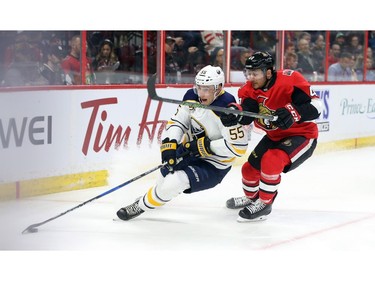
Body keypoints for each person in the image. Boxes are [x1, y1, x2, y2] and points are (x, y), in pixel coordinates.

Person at [116, 65, 249, 221]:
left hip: (214, 164)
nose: (201, 94)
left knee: (175, 181)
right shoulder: (191, 97)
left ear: (218, 88)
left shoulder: (227, 110)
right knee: (165, 173)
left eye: (206, 89)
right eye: (199, 88)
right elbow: (178, 122)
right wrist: (171, 142)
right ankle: (154, 198)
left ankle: (140, 206)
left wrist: (206, 146)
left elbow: (238, 148)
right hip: (189, 150)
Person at [222, 51, 322, 222]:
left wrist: (294, 113)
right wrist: (235, 114)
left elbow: (316, 106)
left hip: (302, 135)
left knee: (271, 160)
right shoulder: (249, 89)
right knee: (248, 170)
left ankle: (265, 203)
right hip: (275, 135)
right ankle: (252, 198)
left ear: (268, 72)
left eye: (255, 73)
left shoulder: (290, 80)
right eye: (248, 73)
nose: (251, 77)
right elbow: (249, 112)